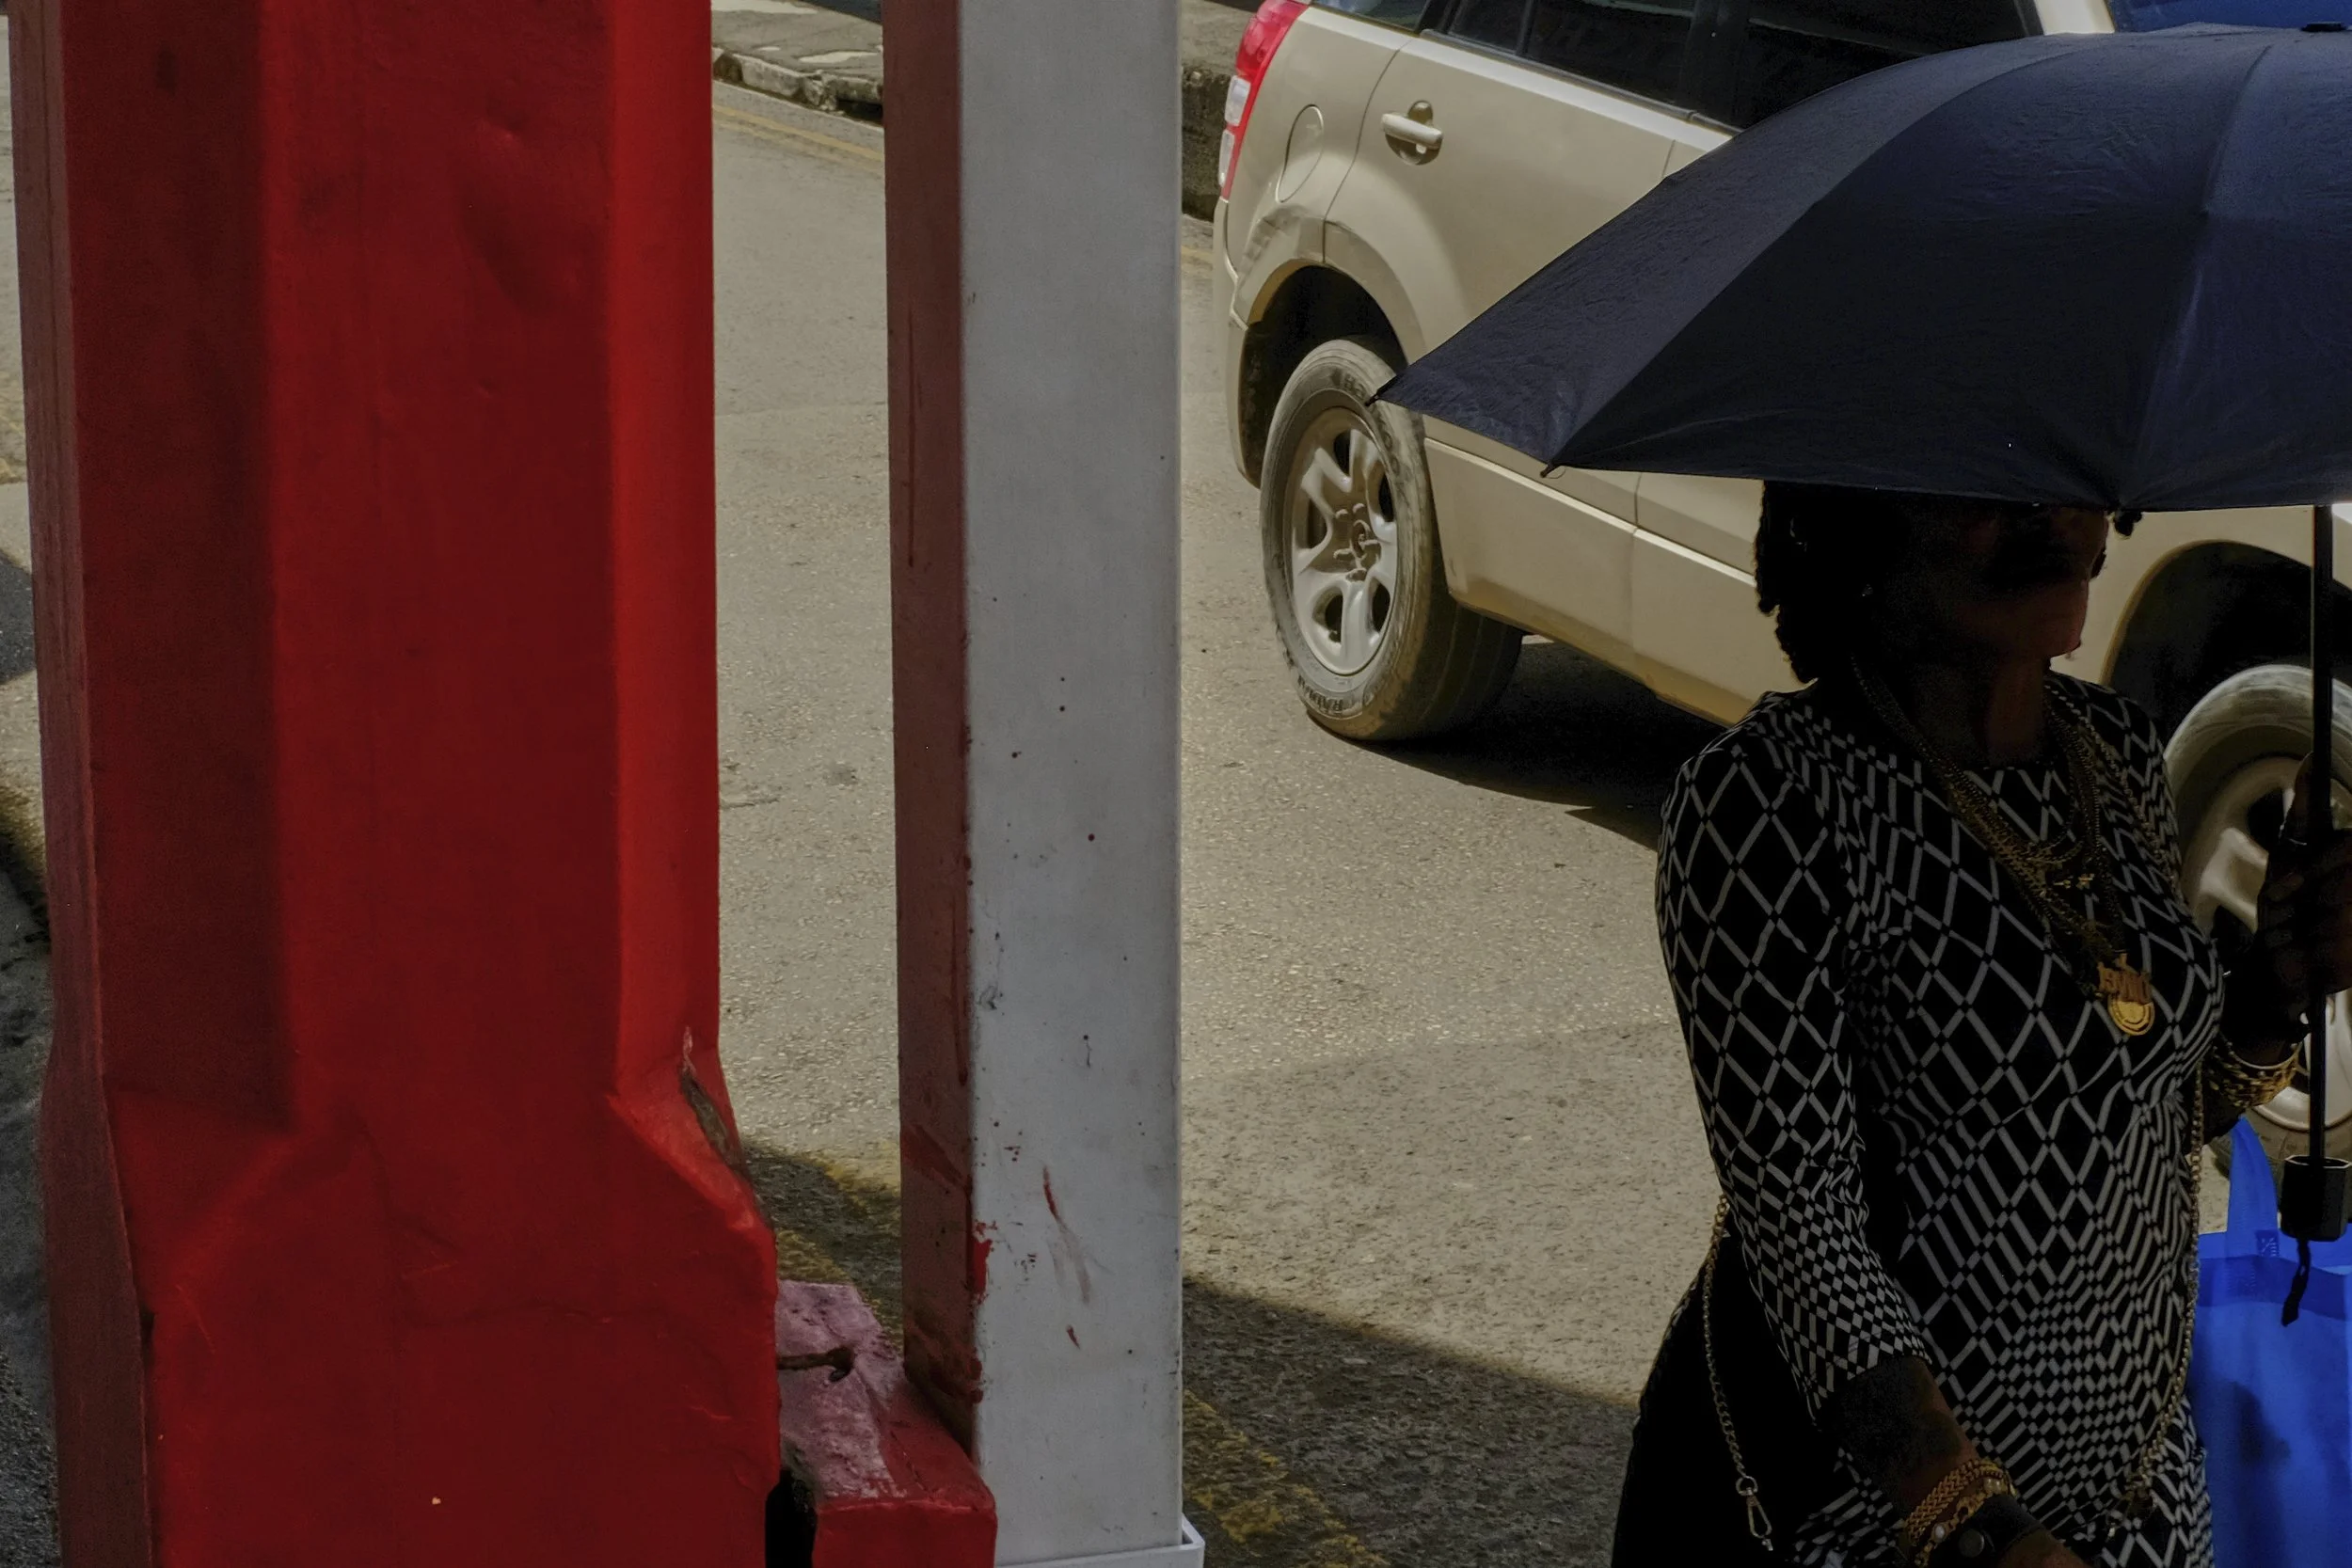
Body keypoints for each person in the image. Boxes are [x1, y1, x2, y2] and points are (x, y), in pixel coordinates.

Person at [1612, 486, 2352, 1568]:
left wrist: (2274, 987)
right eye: (1986, 493)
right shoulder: (1771, 801)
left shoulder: (2114, 753)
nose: (2053, 522)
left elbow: (2141, 1109)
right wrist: (1969, 1520)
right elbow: (1798, 1216)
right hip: (1874, 1523)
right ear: (1855, 523)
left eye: (2073, 485)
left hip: (2133, 1514)